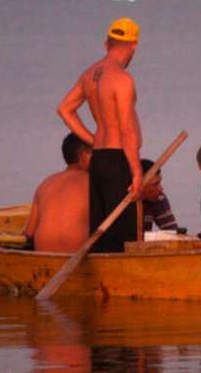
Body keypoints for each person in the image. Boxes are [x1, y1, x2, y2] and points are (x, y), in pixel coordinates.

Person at [56, 17, 143, 253]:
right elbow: (126, 129)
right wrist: (136, 173)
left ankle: (102, 281)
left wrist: (93, 139)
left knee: (101, 227)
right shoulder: (123, 80)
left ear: (107, 44)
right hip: (118, 160)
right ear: (134, 45)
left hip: (99, 159)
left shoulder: (89, 74)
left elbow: (64, 109)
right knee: (124, 234)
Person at [23, 133, 92, 252]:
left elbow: (29, 232)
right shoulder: (94, 182)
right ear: (84, 156)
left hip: (44, 254)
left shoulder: (45, 184)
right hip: (77, 255)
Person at [140, 159, 179, 232]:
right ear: (139, 185)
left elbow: (172, 232)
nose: (161, 189)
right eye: (155, 184)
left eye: (160, 182)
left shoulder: (159, 197)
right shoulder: (123, 202)